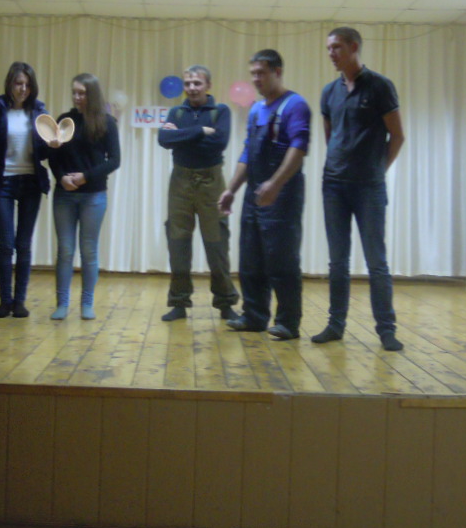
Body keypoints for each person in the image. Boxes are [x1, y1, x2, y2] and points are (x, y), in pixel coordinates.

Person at [315, 27, 406, 351]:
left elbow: (397, 136)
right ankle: (335, 325)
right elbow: (331, 137)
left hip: (369, 187)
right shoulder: (329, 92)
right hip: (334, 186)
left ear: (354, 47)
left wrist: (377, 171)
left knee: (376, 262)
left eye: (337, 47)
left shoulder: (380, 86)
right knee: (337, 262)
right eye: (329, 48)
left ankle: (386, 330)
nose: (331, 53)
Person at [218, 50, 310, 341]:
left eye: (261, 73)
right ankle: (254, 316)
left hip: (283, 193)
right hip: (255, 192)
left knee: (281, 260)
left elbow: (299, 149)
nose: (256, 79)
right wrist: (231, 190)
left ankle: (288, 322)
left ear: (277, 72)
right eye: (253, 74)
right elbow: (248, 152)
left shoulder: (295, 105)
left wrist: (276, 184)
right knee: (251, 258)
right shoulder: (257, 109)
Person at [157, 65, 240, 322]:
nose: (192, 88)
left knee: (217, 243)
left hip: (211, 181)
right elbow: (163, 139)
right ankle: (179, 302)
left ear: (208, 86)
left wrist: (180, 136)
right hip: (180, 181)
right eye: (188, 83)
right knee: (178, 242)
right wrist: (200, 132)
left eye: (197, 83)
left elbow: (219, 143)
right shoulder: (176, 111)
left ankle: (225, 303)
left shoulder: (220, 111)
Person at [46, 73, 120, 321]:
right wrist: (61, 178)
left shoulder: (107, 123)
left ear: (92, 94)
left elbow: (115, 161)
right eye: (74, 92)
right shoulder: (64, 121)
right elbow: (53, 157)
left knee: (88, 251)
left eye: (82, 93)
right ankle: (62, 303)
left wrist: (85, 177)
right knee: (65, 251)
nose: (77, 97)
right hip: (64, 195)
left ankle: (87, 303)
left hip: (94, 196)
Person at [0, 62, 51, 318]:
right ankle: (5, 301)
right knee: (6, 244)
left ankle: (20, 301)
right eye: (18, 83)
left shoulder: (39, 112)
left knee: (23, 245)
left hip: (31, 182)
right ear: (10, 84)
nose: (23, 89)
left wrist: (53, 144)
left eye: (27, 85)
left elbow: (44, 152)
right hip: (3, 182)